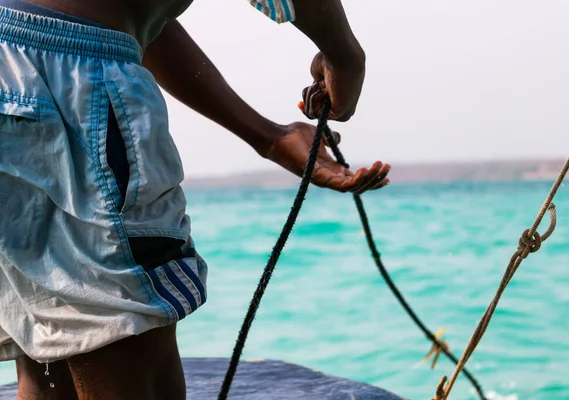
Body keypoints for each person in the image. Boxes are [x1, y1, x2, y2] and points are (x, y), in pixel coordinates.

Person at [0, 0, 391, 398]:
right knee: (131, 368)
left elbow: (145, 24)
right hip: (71, 79)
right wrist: (344, 57)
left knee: (49, 362)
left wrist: (268, 138)